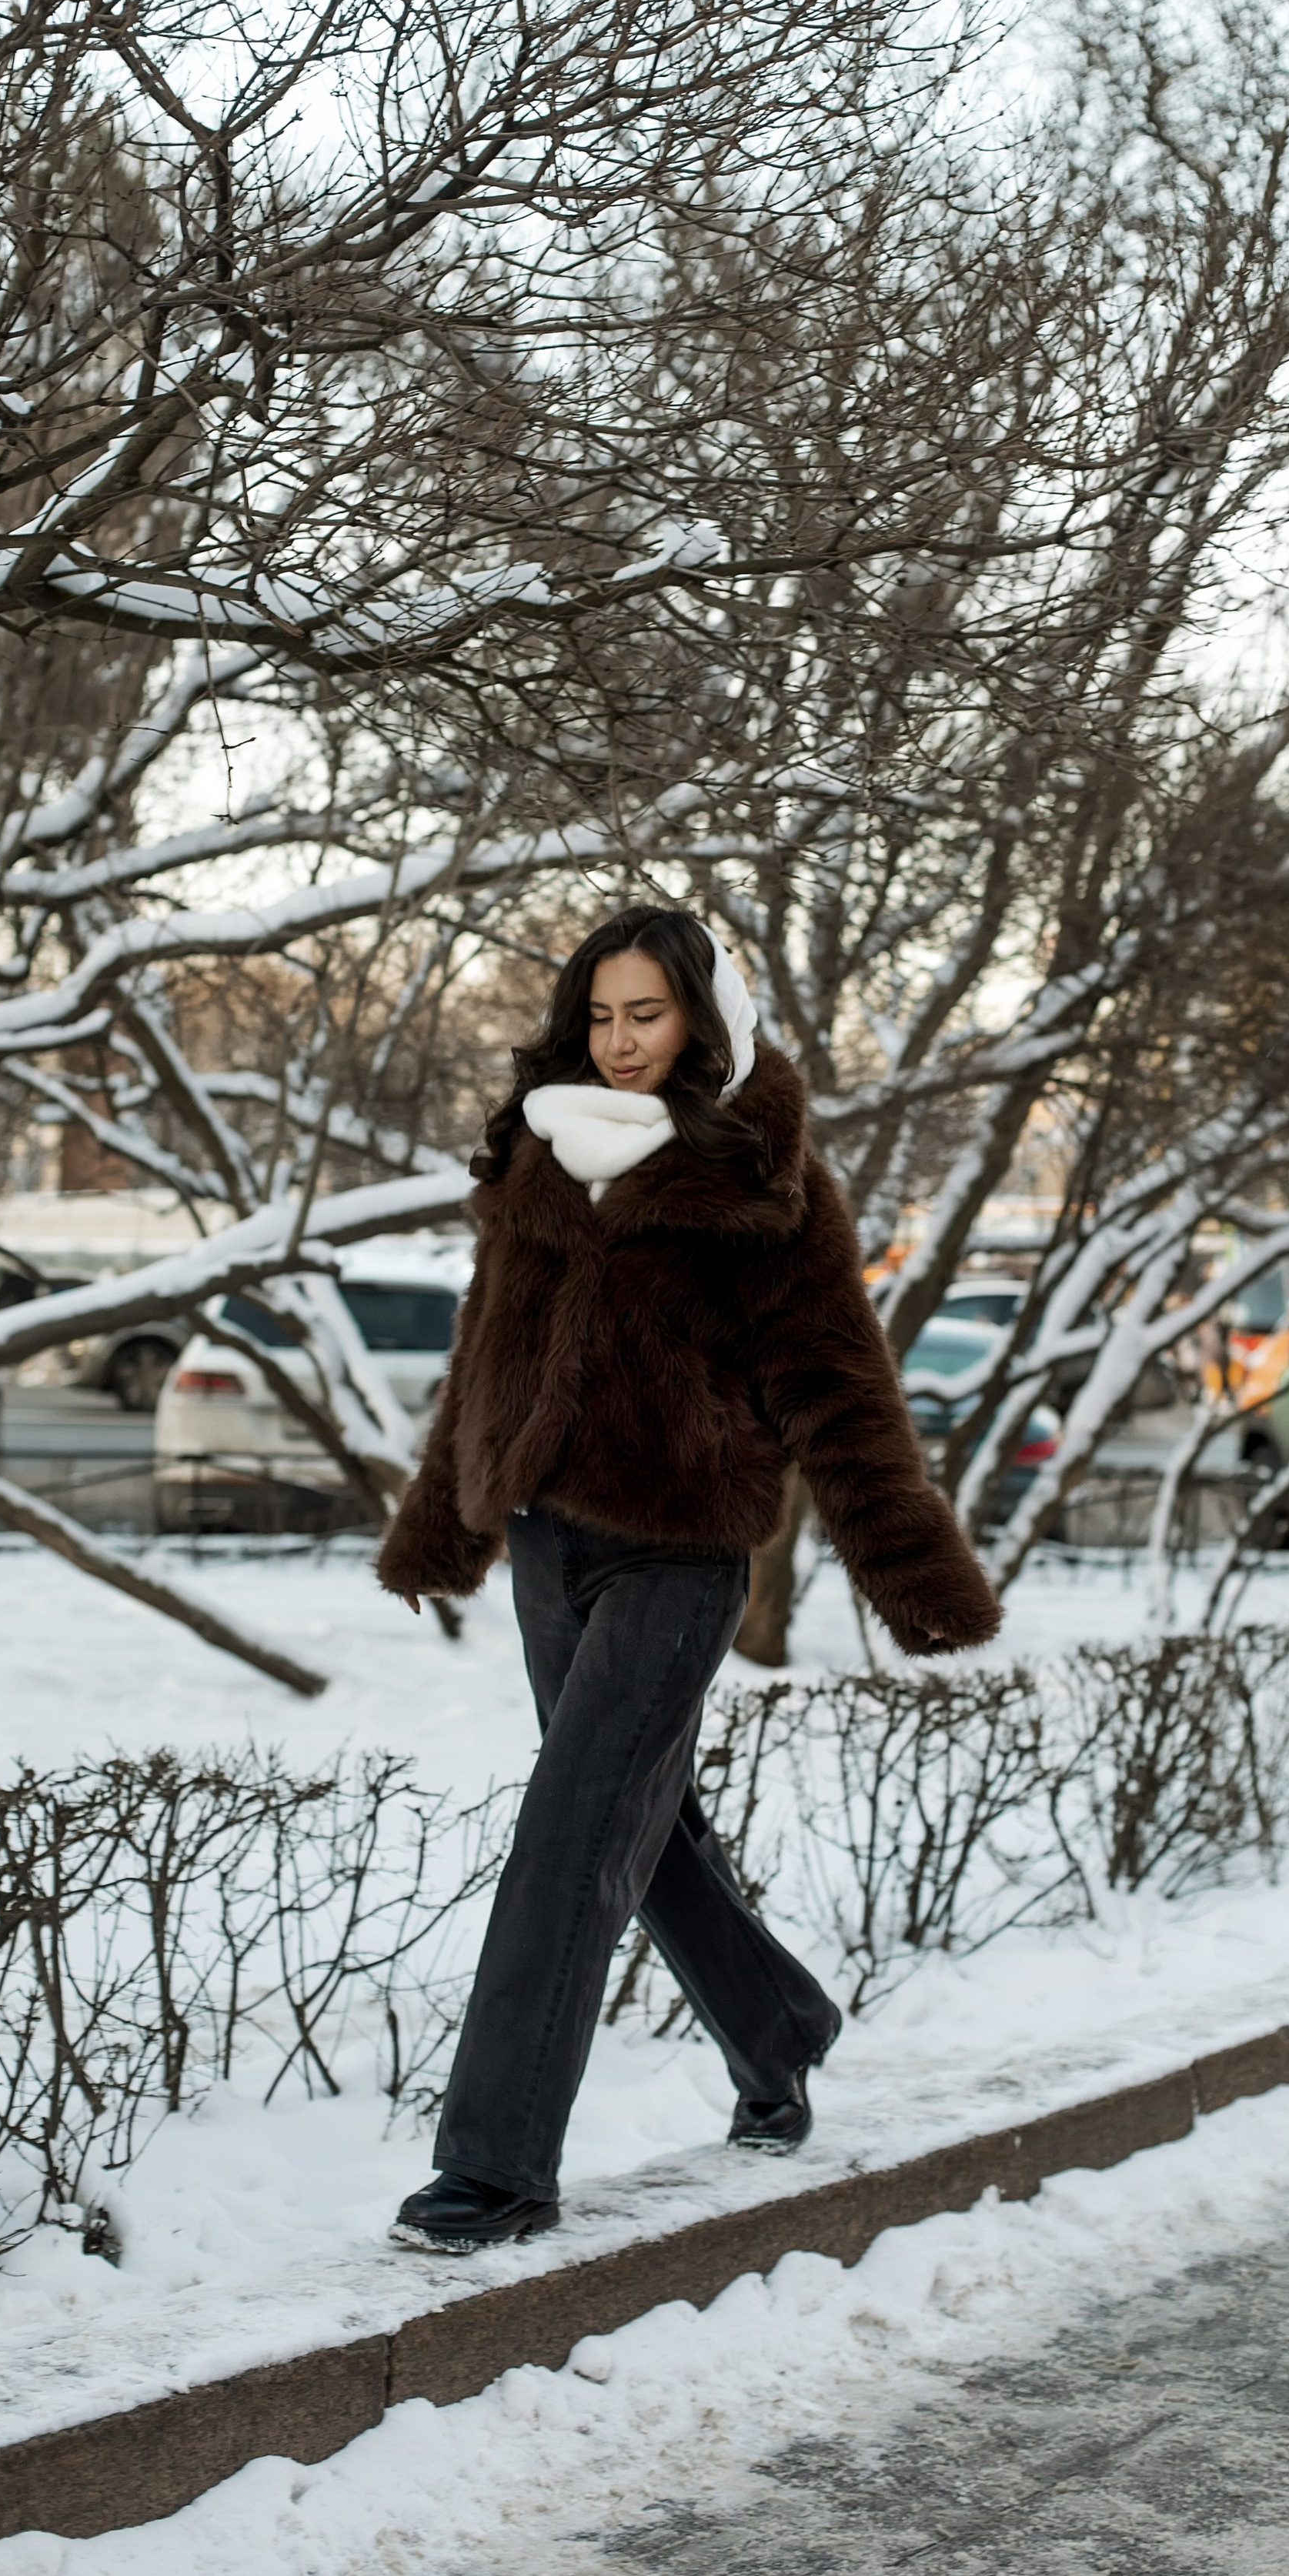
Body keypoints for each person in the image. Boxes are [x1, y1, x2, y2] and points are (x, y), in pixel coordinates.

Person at [379, 906, 1000, 2251]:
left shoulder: (760, 1181)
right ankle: (778, 2025)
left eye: (646, 1015)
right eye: (600, 1014)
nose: (618, 1041)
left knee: (569, 1832)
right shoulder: (539, 1146)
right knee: (637, 1826)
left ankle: (494, 2165)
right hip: (550, 1538)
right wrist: (446, 1521)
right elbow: (486, 1349)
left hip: (683, 1551)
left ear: (703, 1022)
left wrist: (913, 1569)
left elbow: (842, 1390)